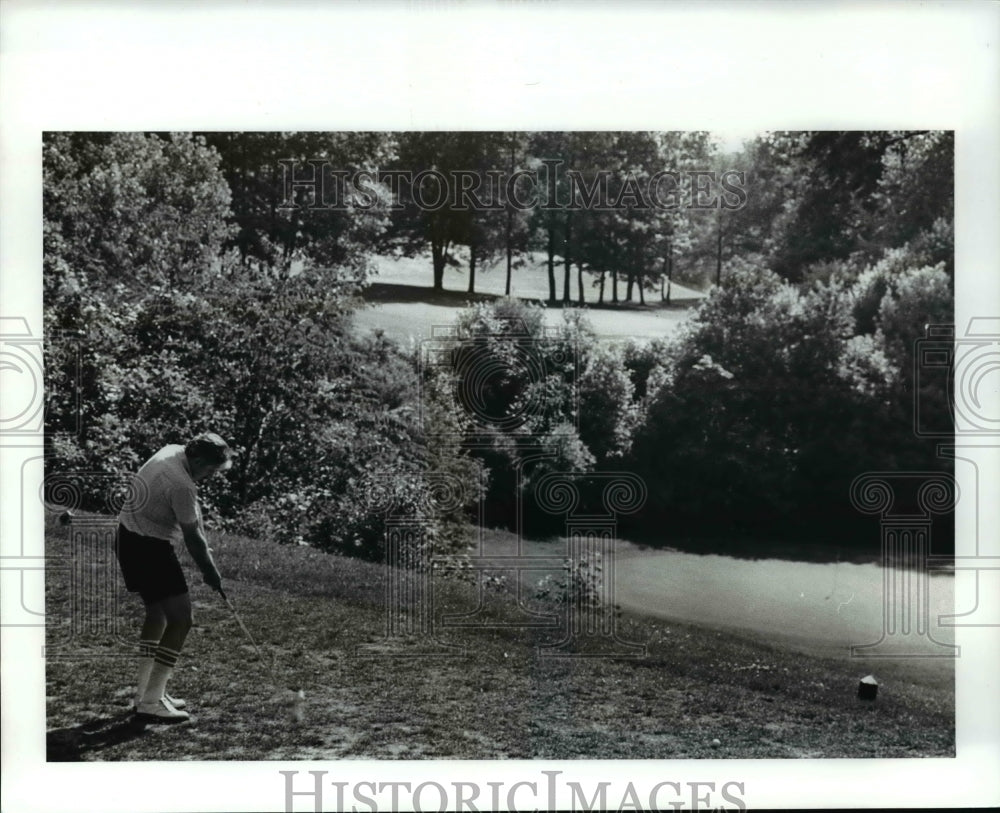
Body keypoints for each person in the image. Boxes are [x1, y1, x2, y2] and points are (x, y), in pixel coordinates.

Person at [116, 432, 234, 723]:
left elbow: (195, 519)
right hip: (148, 547)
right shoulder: (181, 484)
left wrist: (207, 558)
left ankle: (146, 693)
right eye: (209, 469)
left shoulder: (172, 451)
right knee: (182, 619)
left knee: (157, 615)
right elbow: (193, 539)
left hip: (127, 538)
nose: (210, 475)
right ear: (196, 458)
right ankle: (151, 701)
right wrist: (211, 572)